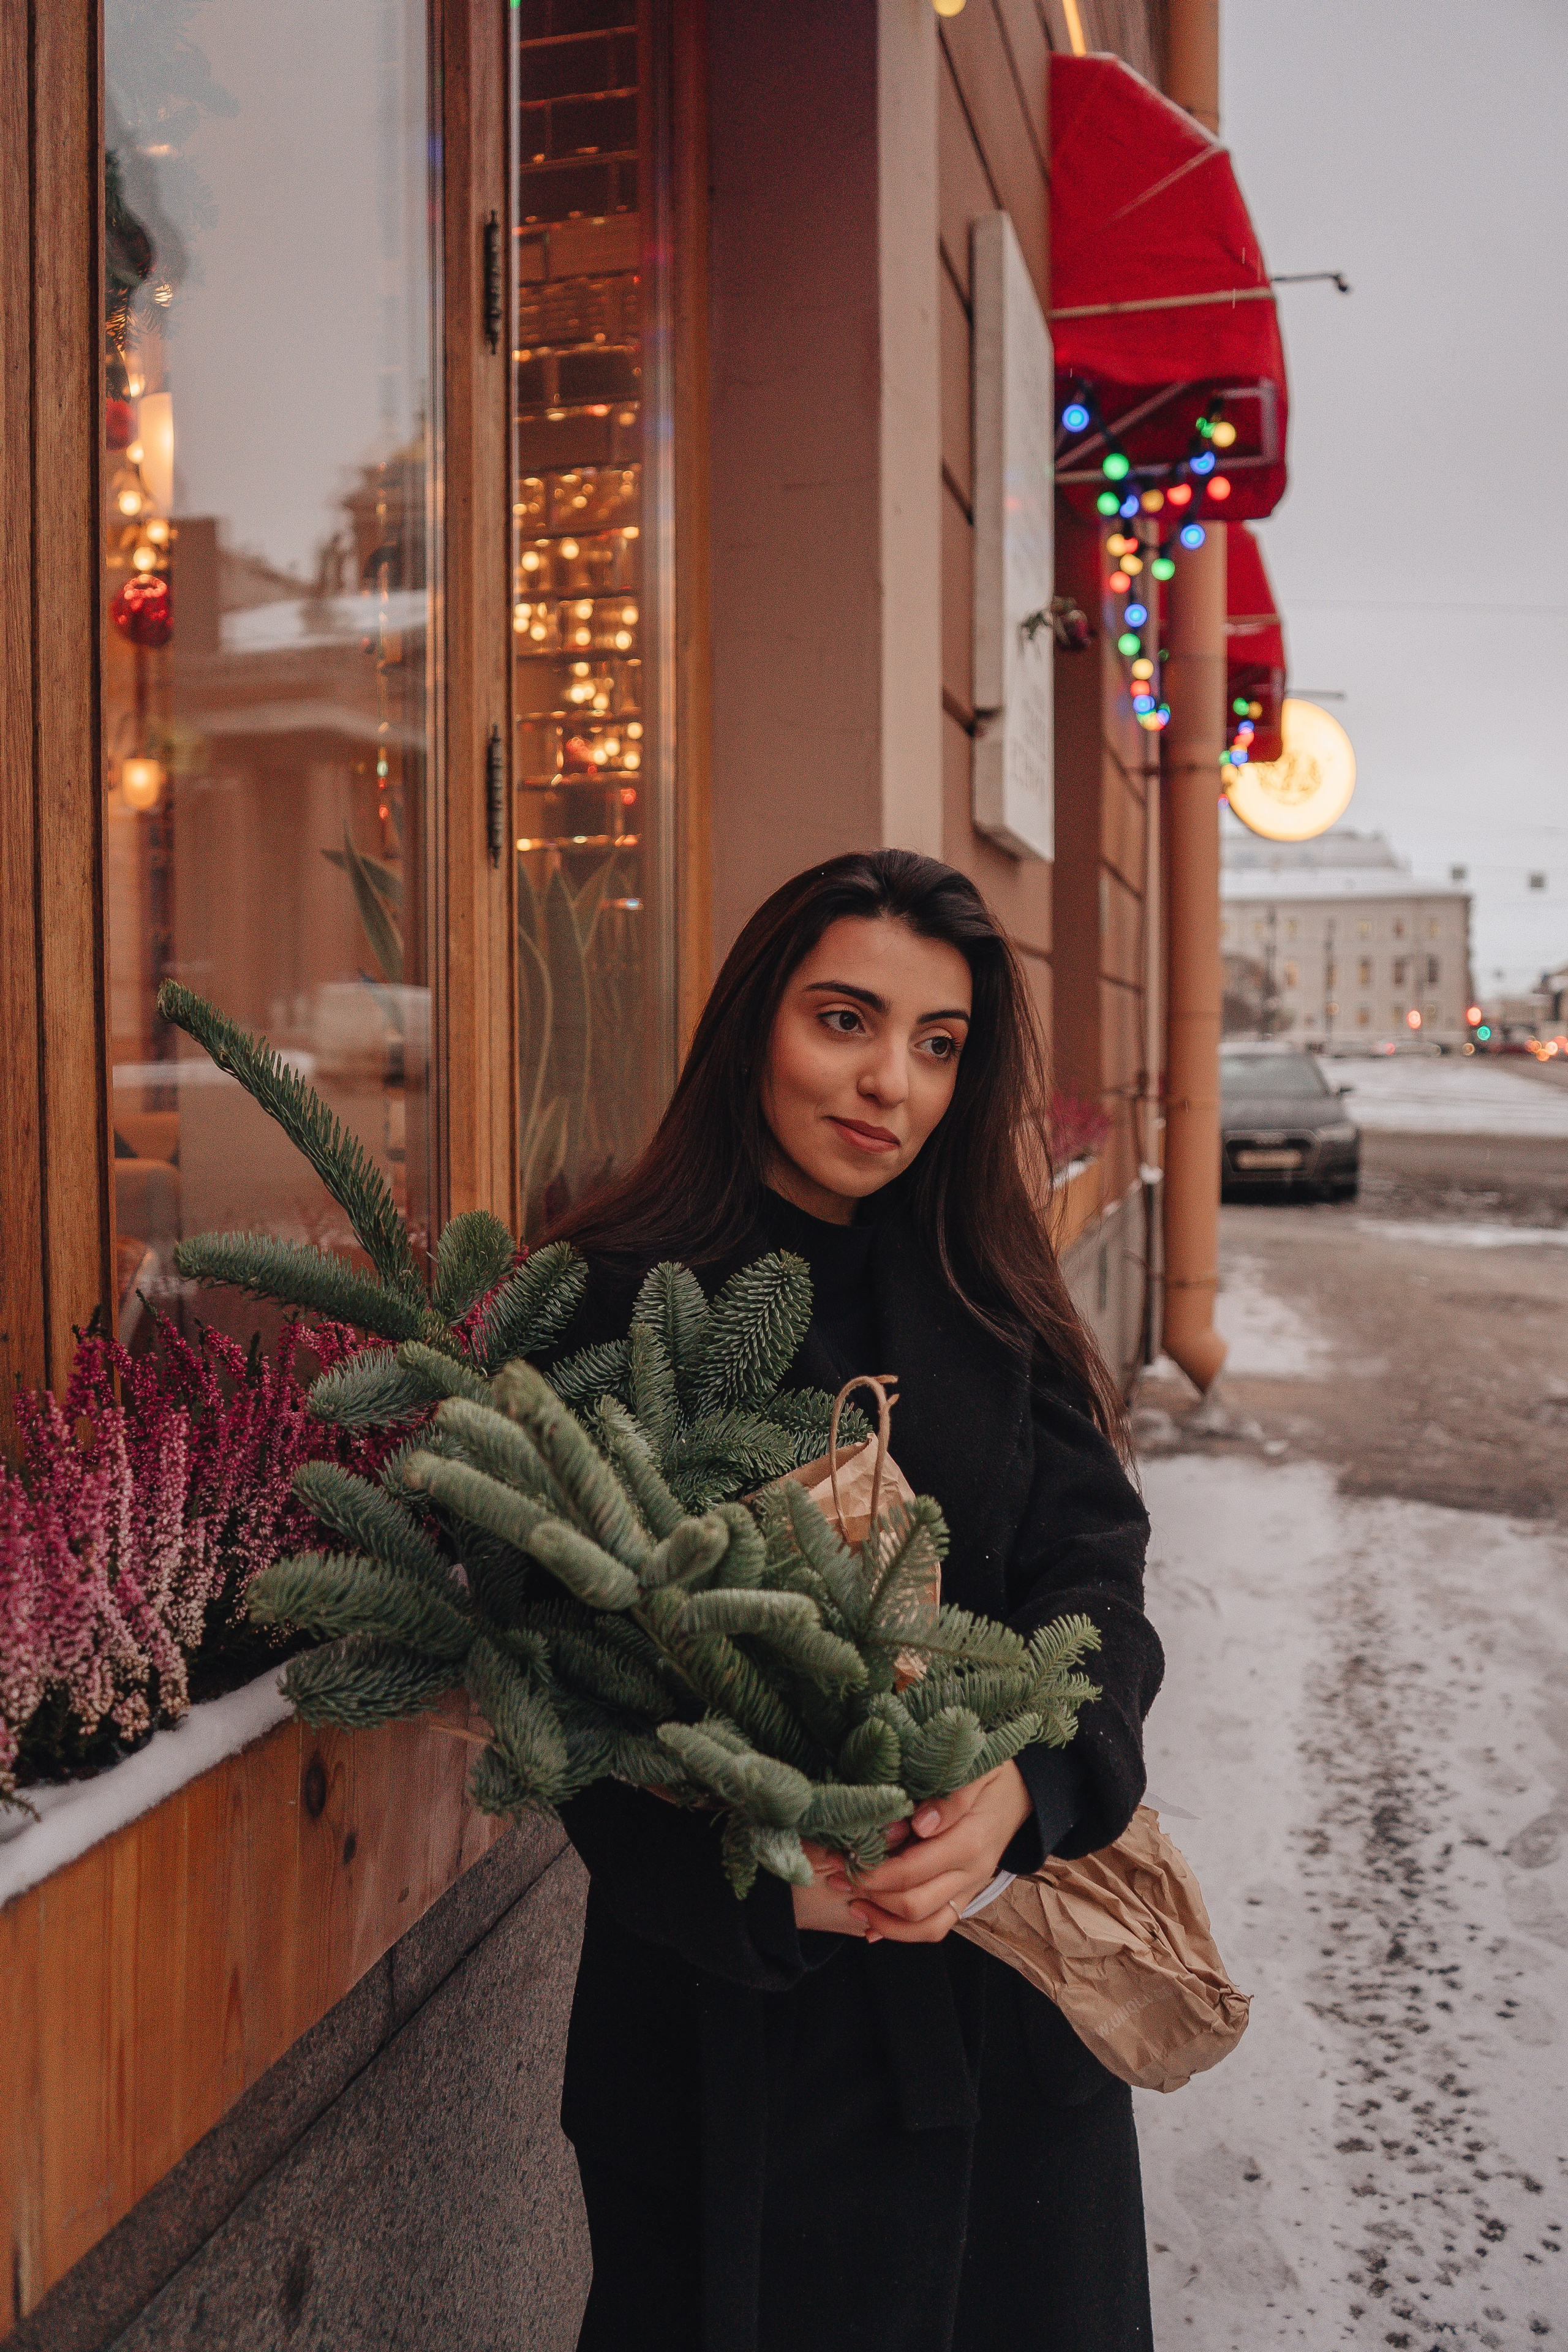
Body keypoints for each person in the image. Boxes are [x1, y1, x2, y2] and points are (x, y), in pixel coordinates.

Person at [542, 850, 1164, 2352]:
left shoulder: (982, 1284)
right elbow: (549, 1677)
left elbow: (1097, 1578)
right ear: (756, 1020)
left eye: (938, 1047)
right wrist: (757, 1886)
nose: (890, 1082)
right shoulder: (613, 1295)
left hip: (997, 2004)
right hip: (726, 2034)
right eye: (845, 1021)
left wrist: (1030, 1788)